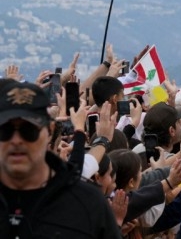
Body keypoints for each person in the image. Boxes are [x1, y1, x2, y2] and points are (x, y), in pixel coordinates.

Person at [0, 81, 121, 238]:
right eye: (5, 130)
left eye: (28, 131)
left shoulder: (87, 203)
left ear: (49, 131)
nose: (16, 141)